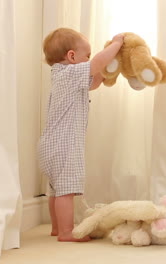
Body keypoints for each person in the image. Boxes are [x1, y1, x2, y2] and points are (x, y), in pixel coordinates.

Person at [39, 28, 124, 242]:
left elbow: (94, 81)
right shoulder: (68, 73)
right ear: (71, 57)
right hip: (63, 146)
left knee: (57, 191)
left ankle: (57, 227)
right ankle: (67, 232)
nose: (89, 59)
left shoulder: (66, 77)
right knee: (66, 191)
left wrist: (108, 70)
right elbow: (95, 65)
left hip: (51, 146)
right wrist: (115, 45)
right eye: (86, 55)